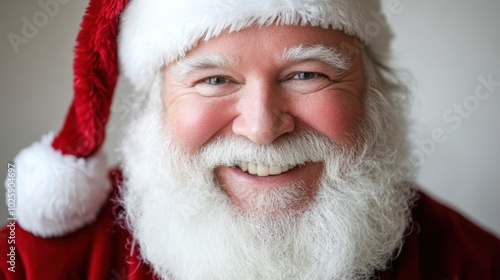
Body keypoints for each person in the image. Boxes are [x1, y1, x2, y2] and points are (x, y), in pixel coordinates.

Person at [1, 0, 499, 279]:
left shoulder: (475, 265)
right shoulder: (27, 263)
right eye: (214, 80)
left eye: (307, 74)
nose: (262, 128)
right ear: (157, 105)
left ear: (374, 93)